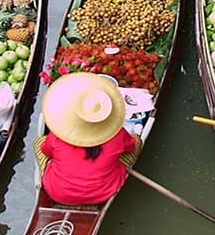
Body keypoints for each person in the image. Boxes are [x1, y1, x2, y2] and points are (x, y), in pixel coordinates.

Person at [33, 72, 142, 205]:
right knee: (137, 141)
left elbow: (46, 152)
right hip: (103, 193)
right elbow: (131, 145)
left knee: (38, 142)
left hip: (58, 192)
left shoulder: (58, 136)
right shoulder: (117, 135)